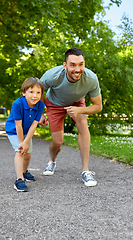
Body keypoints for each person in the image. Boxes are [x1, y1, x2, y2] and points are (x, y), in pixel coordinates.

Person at [39, 48, 102, 187]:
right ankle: (52, 161)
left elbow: (98, 106)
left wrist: (80, 110)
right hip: (54, 104)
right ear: (65, 65)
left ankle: (86, 171)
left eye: (81, 64)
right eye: (72, 65)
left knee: (83, 127)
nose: (77, 69)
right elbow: (38, 92)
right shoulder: (52, 75)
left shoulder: (91, 79)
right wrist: (40, 113)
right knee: (57, 142)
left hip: (77, 103)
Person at [5, 77, 45, 192]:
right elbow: (18, 125)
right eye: (31, 92)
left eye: (38, 92)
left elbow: (34, 125)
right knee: (20, 151)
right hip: (14, 130)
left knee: (28, 154)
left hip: (27, 130)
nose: (35, 96)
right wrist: (22, 143)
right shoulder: (17, 104)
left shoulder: (40, 105)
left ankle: (24, 171)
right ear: (24, 92)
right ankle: (19, 179)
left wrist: (26, 141)